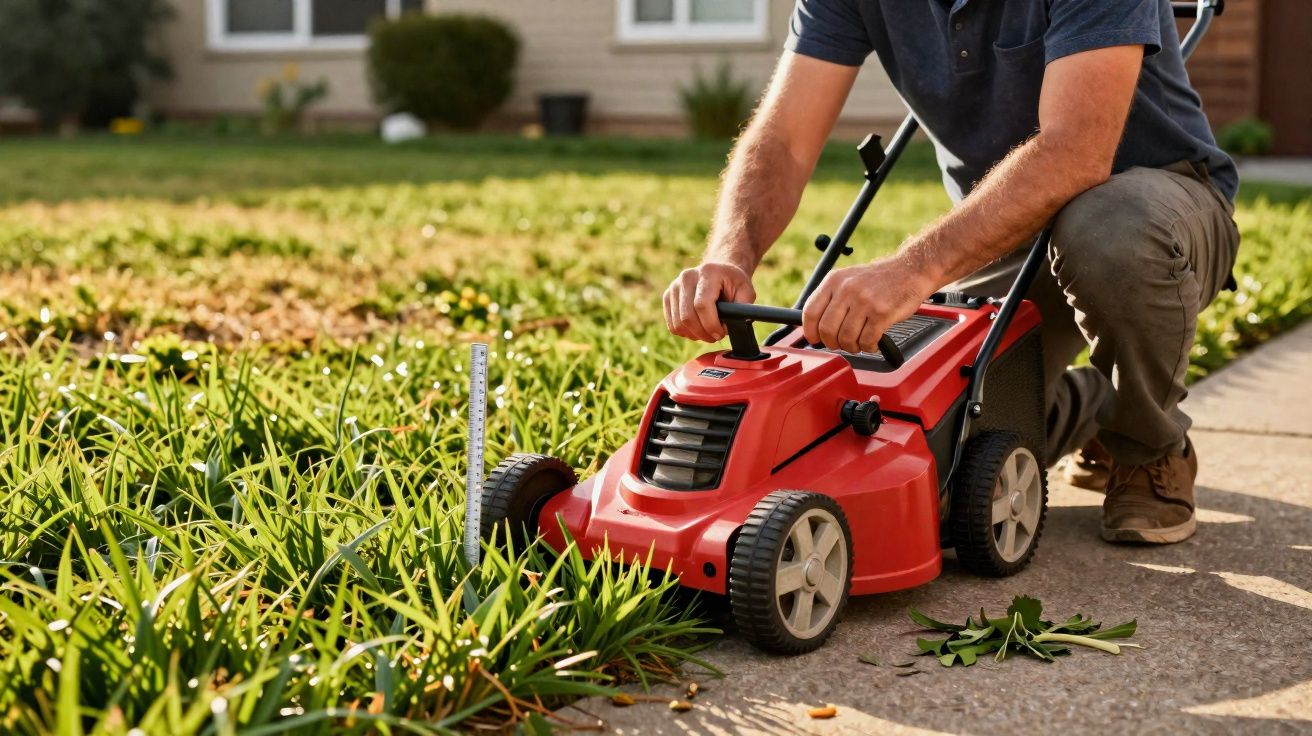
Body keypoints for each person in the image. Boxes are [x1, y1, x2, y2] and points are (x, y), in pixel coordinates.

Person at [662, 0, 1239, 545]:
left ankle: (1147, 447)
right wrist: (730, 253)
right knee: (926, 462)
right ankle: (1095, 406)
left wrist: (910, 272)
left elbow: (1076, 151)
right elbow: (784, 139)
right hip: (1003, 236)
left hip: (1155, 216)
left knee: (1106, 228)